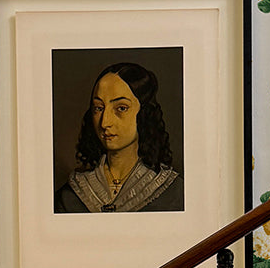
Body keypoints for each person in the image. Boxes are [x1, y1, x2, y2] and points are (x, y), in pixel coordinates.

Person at [54, 60, 182, 214]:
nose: (105, 122)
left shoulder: (174, 193)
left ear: (144, 113)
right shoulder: (69, 196)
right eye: (99, 108)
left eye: (121, 108)